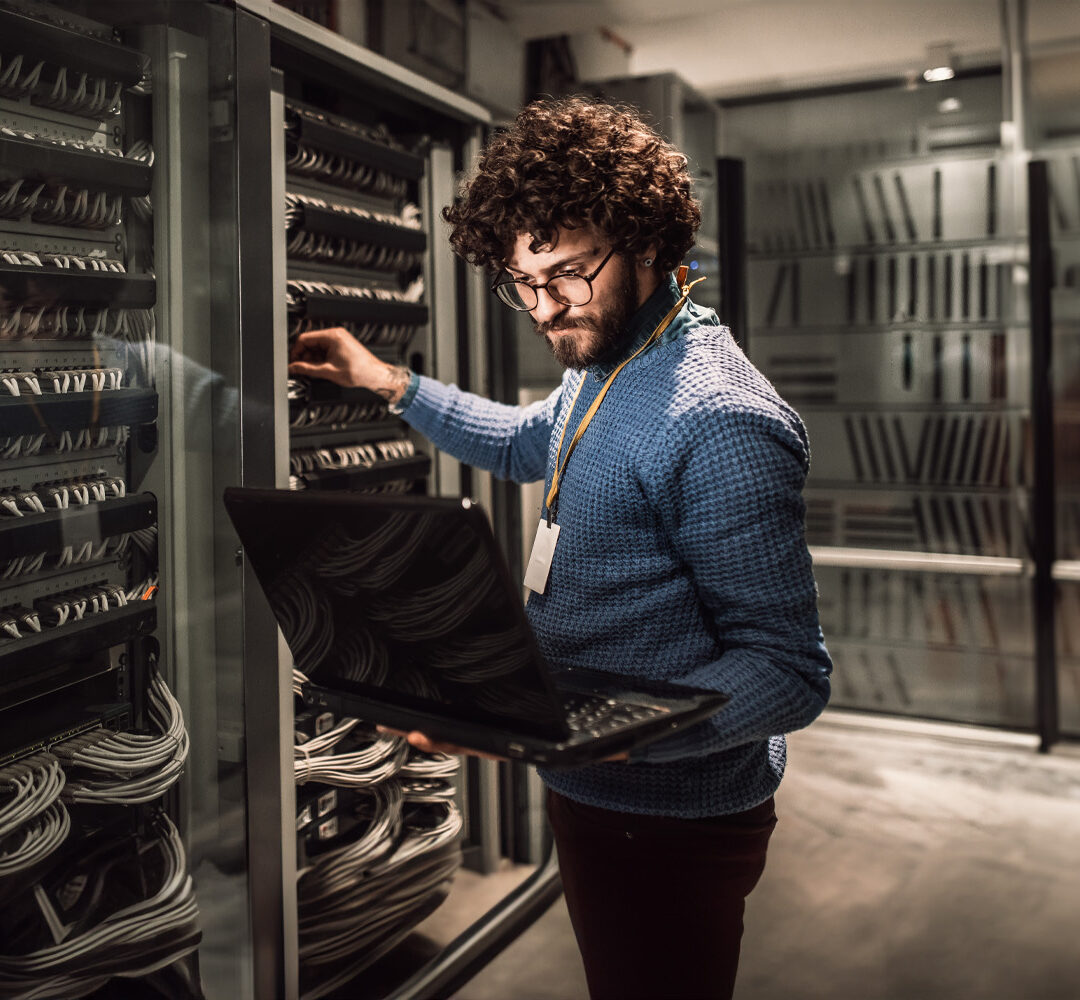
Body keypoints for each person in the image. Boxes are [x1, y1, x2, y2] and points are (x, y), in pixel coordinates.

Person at [289, 96, 832, 1000]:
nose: (545, 309)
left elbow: (788, 673)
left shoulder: (720, 419)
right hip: (593, 788)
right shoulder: (609, 362)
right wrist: (387, 381)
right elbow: (522, 441)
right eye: (523, 283)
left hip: (674, 820)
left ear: (646, 240)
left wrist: (606, 740)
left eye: (570, 275)